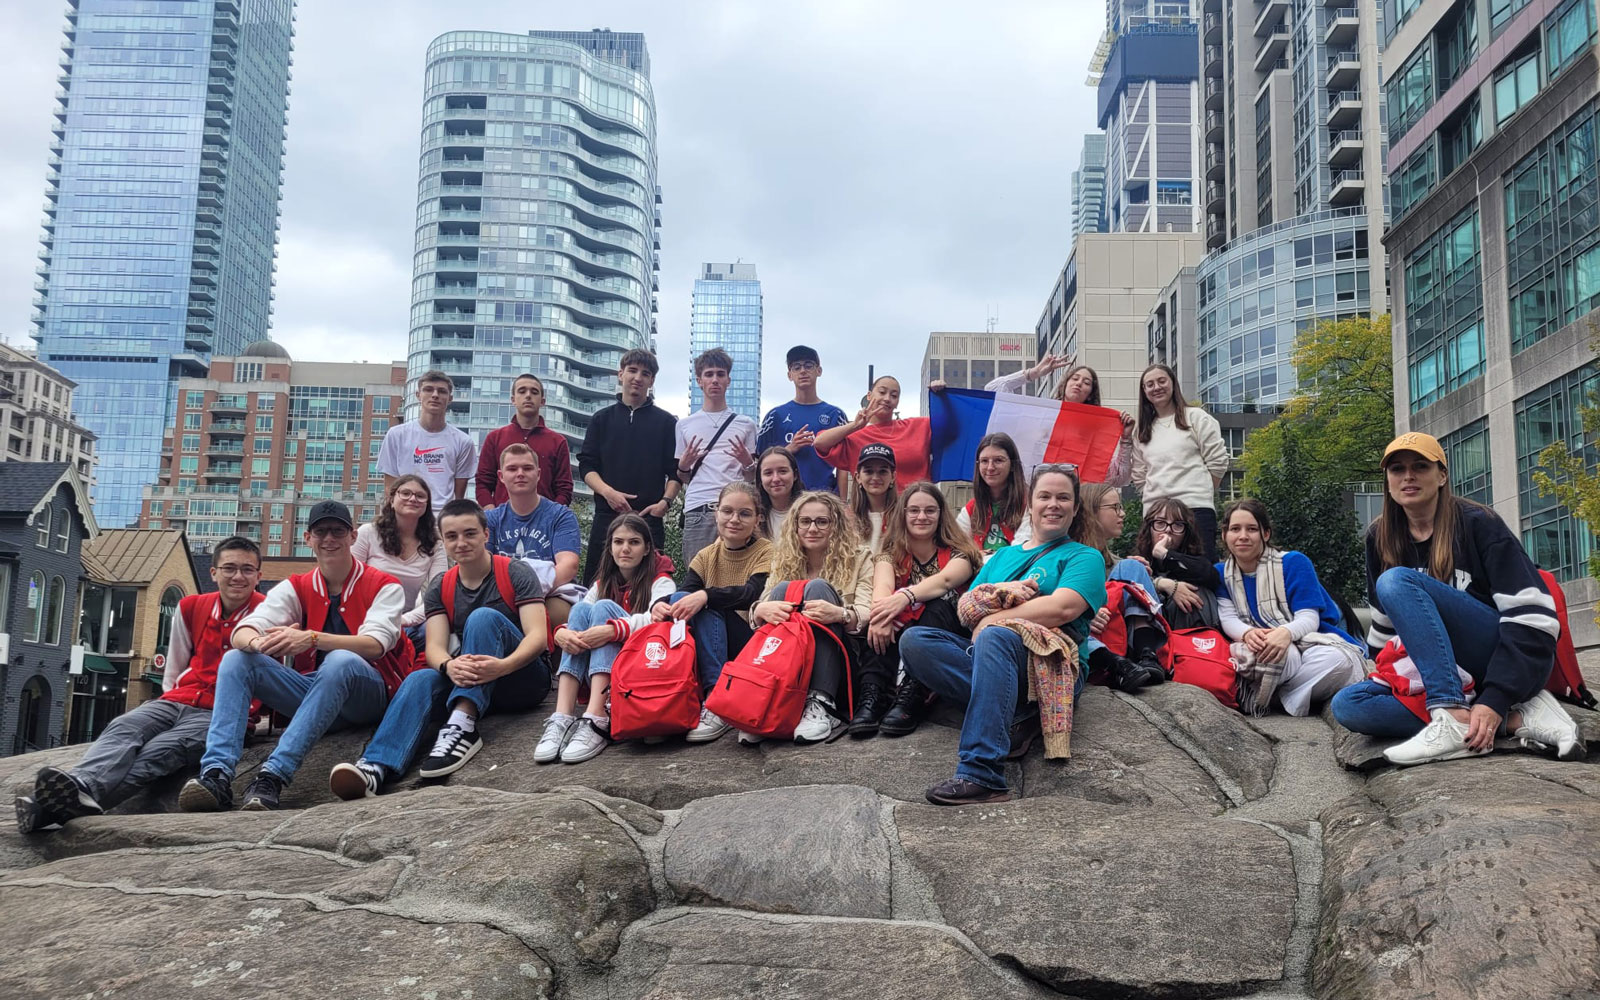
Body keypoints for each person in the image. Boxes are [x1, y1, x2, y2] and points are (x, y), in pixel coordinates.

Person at [1328, 433, 1578, 765]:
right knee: (1349, 705)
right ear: (1387, 480)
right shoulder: (1380, 536)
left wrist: (1497, 696)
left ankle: (1451, 709)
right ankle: (1514, 720)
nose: (1408, 476)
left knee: (1396, 581)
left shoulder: (1479, 524)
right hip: (1443, 670)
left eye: (1420, 466)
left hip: (1494, 655)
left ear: (1442, 475)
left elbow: (1532, 620)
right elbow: (1386, 632)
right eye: (1397, 469)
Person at [15, 538, 267, 833]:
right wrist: (169, 702)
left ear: (258, 576)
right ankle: (81, 784)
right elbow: (174, 666)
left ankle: (49, 809)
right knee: (125, 727)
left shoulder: (270, 612)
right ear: (213, 572)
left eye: (247, 570)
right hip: (176, 699)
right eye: (229, 568)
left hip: (220, 713)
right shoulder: (191, 607)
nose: (238, 576)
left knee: (160, 751)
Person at [178, 501, 415, 812]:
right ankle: (217, 774)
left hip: (369, 695)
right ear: (308, 538)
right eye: (321, 531)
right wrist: (262, 644)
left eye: (338, 531)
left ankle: (273, 775)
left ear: (353, 536)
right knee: (238, 659)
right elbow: (243, 631)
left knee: (339, 660)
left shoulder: (384, 585)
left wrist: (311, 639)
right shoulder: (298, 585)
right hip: (318, 695)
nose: (329, 538)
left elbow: (375, 644)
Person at [900, 465, 1106, 805]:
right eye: (1045, 496)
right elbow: (969, 606)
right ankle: (1020, 717)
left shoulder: (1084, 556)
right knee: (916, 641)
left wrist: (996, 620)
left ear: (1075, 507)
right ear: (1030, 504)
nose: (1053, 504)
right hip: (996, 661)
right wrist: (1003, 595)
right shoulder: (1005, 556)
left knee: (996, 637)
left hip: (1051, 661)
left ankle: (982, 774)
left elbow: (1063, 608)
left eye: (1063, 497)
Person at [329, 500, 550, 798]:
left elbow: (537, 637)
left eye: (470, 533)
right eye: (452, 536)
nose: (461, 543)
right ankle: (374, 767)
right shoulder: (440, 586)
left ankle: (462, 723)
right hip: (476, 678)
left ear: (486, 534)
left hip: (521, 677)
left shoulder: (514, 572)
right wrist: (449, 666)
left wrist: (503, 666)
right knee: (420, 678)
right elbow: (434, 648)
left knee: (483, 618)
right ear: (443, 541)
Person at [534, 514, 677, 764]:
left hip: (640, 663)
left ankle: (597, 715)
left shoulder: (661, 580)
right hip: (608, 658)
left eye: (634, 542)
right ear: (610, 547)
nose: (625, 548)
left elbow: (660, 622)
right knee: (580, 609)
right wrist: (561, 633)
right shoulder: (603, 582)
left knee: (602, 608)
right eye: (618, 542)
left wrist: (614, 629)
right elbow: (580, 616)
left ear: (646, 549)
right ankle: (563, 716)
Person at [1214, 499, 1364, 717]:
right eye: (1235, 529)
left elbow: (1309, 617)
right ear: (1224, 535)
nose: (1243, 536)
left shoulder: (1294, 562)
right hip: (1257, 643)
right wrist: (1247, 633)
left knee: (1339, 662)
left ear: (1265, 534)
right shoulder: (1220, 573)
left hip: (1310, 640)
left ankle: (1271, 697)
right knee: (1281, 656)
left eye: (1252, 529)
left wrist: (1285, 633)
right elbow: (1227, 618)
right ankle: (1296, 693)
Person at [651, 481, 774, 743]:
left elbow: (750, 594)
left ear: (758, 519)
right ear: (716, 513)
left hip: (753, 642)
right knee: (685, 600)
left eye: (744, 513)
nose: (734, 519)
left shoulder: (767, 551)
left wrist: (706, 596)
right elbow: (686, 592)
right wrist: (659, 604)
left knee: (703, 605)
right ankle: (667, 696)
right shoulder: (706, 555)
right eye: (727, 511)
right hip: (715, 642)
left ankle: (717, 699)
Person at [749, 491, 875, 744]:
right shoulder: (784, 559)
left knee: (817, 587)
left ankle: (821, 703)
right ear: (795, 526)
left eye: (822, 521)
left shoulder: (860, 557)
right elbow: (763, 606)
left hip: (843, 660)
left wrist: (839, 613)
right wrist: (758, 611)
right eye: (804, 522)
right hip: (793, 660)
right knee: (782, 589)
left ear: (835, 525)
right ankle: (770, 700)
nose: (812, 528)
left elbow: (866, 612)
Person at [860, 483, 980, 738]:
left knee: (937, 604)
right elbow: (881, 586)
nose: (921, 517)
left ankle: (914, 692)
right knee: (882, 620)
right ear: (903, 515)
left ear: (941, 515)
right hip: (905, 630)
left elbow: (946, 581)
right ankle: (873, 693)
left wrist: (905, 596)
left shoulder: (961, 554)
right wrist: (881, 616)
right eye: (913, 510)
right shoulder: (891, 554)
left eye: (930, 510)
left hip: (949, 633)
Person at [932, 358, 1135, 486]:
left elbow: (1119, 478)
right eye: (1075, 378)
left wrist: (1126, 440)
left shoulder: (1095, 430)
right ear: (1065, 383)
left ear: (1091, 393)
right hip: (1031, 499)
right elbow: (994, 387)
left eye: (1086, 382)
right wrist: (1034, 373)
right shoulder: (1042, 413)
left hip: (1075, 506)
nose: (1079, 383)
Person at [578, 349, 680, 582]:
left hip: (649, 518)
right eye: (632, 371)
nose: (638, 377)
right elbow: (587, 466)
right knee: (597, 584)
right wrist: (608, 492)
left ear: (651, 380)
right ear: (620, 374)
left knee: (649, 586)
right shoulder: (601, 419)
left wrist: (665, 503)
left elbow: (675, 472)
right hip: (607, 515)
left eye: (645, 373)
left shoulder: (666, 423)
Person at [1130, 364, 1228, 559]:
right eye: (1149, 384)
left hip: (1195, 510)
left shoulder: (1196, 418)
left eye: (1161, 381)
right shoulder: (1141, 430)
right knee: (1157, 575)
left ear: (1173, 384)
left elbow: (1217, 462)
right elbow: (1139, 475)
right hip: (1155, 516)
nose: (1156, 387)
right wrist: (1155, 503)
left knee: (1200, 574)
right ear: (1144, 391)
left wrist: (1200, 490)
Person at [1079, 482, 1167, 693]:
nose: (1123, 513)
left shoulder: (1117, 564)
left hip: (1117, 636)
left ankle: (1147, 655)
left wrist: (1163, 583)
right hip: (1087, 643)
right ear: (1091, 512)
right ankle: (1114, 664)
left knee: (1133, 566)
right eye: (1115, 507)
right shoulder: (1068, 557)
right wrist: (1082, 614)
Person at [675, 348, 759, 566]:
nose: (715, 380)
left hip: (735, 509)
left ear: (728, 380)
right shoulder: (684, 425)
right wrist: (684, 465)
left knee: (737, 573)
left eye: (720, 374)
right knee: (697, 573)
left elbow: (751, 478)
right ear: (699, 380)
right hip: (698, 507)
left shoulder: (746, 424)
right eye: (709, 374)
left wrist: (747, 462)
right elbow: (684, 477)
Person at [485, 443, 582, 627]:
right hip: (500, 595)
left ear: (538, 474)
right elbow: (481, 566)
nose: (520, 473)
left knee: (556, 612)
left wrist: (526, 593)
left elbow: (568, 566)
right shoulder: (490, 519)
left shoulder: (560, 515)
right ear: (501, 476)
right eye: (512, 469)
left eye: (527, 468)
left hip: (550, 594)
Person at [351, 475, 445, 648]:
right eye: (405, 493)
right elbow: (348, 582)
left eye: (420, 496)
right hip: (365, 619)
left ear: (427, 505)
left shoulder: (436, 545)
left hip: (407, 625)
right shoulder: (368, 533)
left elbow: (438, 597)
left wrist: (404, 620)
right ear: (392, 500)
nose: (413, 499)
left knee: (433, 630)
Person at [379, 370, 477, 515]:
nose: (435, 395)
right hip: (405, 514)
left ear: (450, 398)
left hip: (441, 518)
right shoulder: (396, 435)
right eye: (428, 389)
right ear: (418, 395)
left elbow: (458, 496)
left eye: (442, 391)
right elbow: (390, 488)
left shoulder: (463, 442)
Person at [757, 345, 850, 493]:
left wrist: (844, 505)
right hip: (785, 499)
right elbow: (761, 463)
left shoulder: (836, 415)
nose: (803, 371)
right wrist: (790, 449)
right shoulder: (774, 416)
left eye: (808, 366)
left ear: (818, 371)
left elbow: (844, 465)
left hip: (825, 496)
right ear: (789, 375)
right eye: (796, 367)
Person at [474, 373, 574, 509]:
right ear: (513, 399)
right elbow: (483, 483)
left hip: (544, 522)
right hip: (502, 520)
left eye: (534, 392)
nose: (528, 395)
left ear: (542, 401)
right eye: (522, 391)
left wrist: (551, 516)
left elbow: (564, 488)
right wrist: (492, 513)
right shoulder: (495, 438)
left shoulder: (558, 442)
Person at [813, 375, 931, 490]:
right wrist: (854, 425)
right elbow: (819, 443)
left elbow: (947, 423)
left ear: (897, 402)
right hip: (872, 508)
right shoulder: (854, 437)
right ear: (869, 395)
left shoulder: (916, 427)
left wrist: (941, 394)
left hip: (915, 507)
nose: (887, 399)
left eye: (894, 396)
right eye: (882, 392)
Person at [1138, 498, 1223, 631]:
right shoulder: (1139, 562)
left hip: (1187, 626)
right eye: (1160, 523)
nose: (1168, 530)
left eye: (1177, 525)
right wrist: (1166, 585)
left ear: (1186, 532)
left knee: (1196, 593)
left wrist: (1165, 555)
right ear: (1149, 528)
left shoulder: (1194, 561)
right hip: (1152, 630)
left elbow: (1210, 575)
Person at [956, 432, 1032, 557]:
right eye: (984, 461)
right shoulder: (972, 508)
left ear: (1012, 465)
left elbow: (1022, 551)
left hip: (1016, 574)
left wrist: (976, 556)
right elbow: (955, 547)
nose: (990, 467)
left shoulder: (1029, 504)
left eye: (998, 460)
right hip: (978, 574)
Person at [851, 443, 898, 553]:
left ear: (893, 477)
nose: (876, 477)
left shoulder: (904, 515)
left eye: (882, 471)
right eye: (868, 471)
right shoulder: (847, 518)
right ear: (858, 477)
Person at [756, 446, 801, 538]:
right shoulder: (752, 514)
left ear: (795, 475)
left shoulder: (810, 511)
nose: (776, 478)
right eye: (768, 473)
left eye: (782, 471)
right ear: (760, 478)